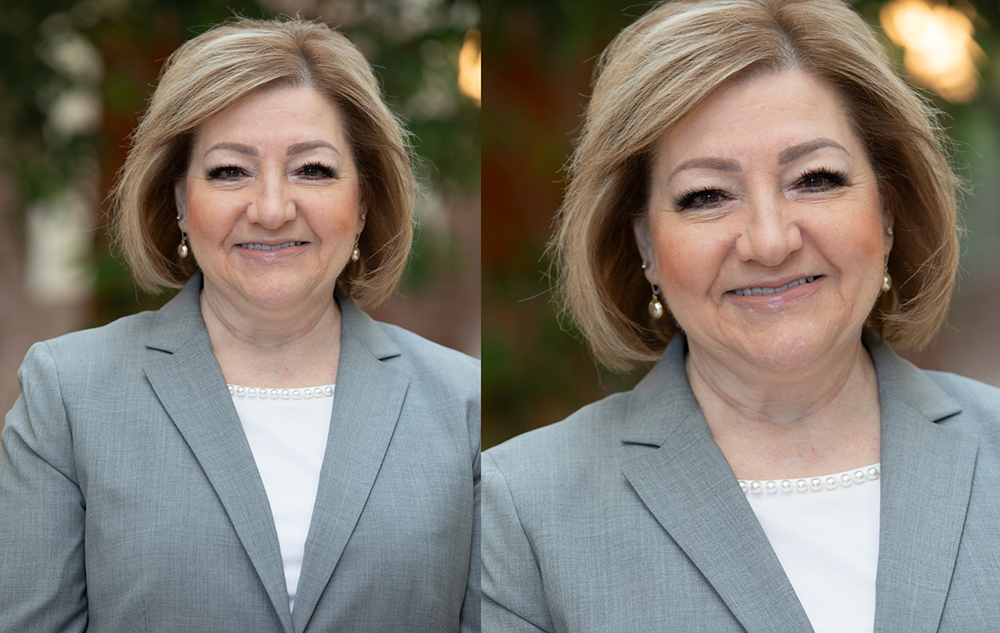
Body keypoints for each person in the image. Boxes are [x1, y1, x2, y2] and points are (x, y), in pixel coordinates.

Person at [481, 0, 1000, 631]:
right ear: (645, 245)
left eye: (815, 179)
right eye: (706, 195)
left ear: (886, 213)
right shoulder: (517, 510)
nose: (770, 241)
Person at [0, 17, 479, 633]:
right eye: (230, 171)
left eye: (313, 170)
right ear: (178, 199)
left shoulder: (462, 402)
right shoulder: (68, 393)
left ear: (363, 202)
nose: (273, 209)